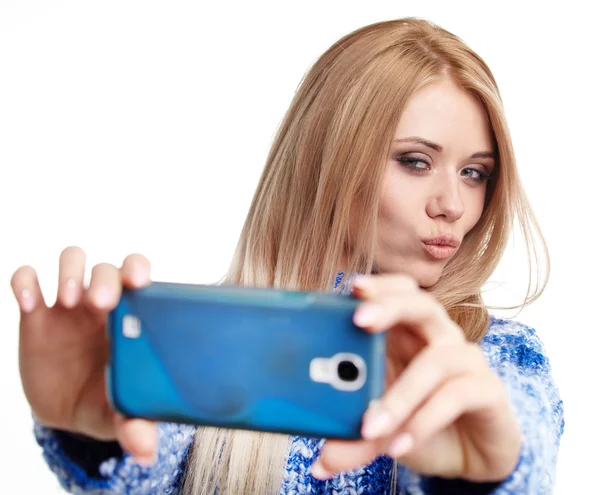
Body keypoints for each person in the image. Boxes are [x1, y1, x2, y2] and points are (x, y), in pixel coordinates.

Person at [12, 17, 564, 495]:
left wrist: (487, 469)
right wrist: (93, 431)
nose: (453, 205)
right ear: (328, 161)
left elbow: (524, 431)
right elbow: (147, 466)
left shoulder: (499, 358)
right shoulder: (212, 340)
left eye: (475, 173)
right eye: (416, 162)